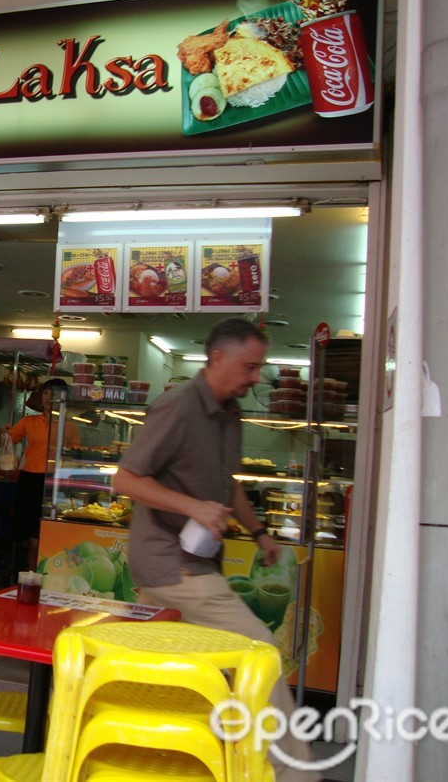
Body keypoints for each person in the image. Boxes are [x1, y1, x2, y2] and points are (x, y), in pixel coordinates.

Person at [111, 318, 317, 782]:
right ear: (217, 358)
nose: (254, 378)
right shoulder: (178, 407)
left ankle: (176, 760)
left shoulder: (230, 414)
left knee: (180, 675)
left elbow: (228, 486)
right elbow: (125, 480)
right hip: (172, 563)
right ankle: (295, 774)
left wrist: (260, 532)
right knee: (260, 652)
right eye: (249, 367)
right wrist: (195, 509)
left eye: (258, 368)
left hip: (191, 563)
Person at [0, 377, 80, 570]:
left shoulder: (70, 427)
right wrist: (2, 433)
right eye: (45, 392)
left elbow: (74, 459)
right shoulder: (29, 421)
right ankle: (31, 576)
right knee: (31, 536)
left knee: (48, 533)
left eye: (54, 393)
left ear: (64, 398)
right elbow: (6, 442)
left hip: (55, 483)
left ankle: (46, 576)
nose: (48, 397)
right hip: (30, 481)